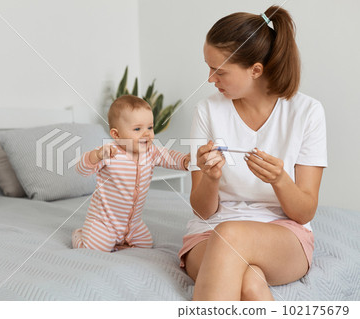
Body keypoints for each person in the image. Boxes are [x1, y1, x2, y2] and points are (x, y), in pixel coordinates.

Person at [180, 6, 327, 300]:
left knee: (232, 233)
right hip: (209, 233)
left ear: (255, 70)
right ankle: (255, 285)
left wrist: (280, 180)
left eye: (219, 71)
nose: (210, 79)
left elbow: (304, 212)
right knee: (249, 282)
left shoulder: (307, 112)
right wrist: (209, 178)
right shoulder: (206, 110)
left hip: (283, 235)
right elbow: (202, 210)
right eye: (208, 68)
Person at [73, 95, 190, 252]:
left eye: (150, 127)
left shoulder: (151, 152)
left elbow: (170, 157)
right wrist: (96, 156)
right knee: (94, 248)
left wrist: (186, 161)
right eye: (137, 129)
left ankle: (121, 240)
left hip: (133, 224)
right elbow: (81, 169)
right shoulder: (109, 152)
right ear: (116, 135)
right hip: (104, 222)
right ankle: (80, 236)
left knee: (146, 244)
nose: (147, 134)